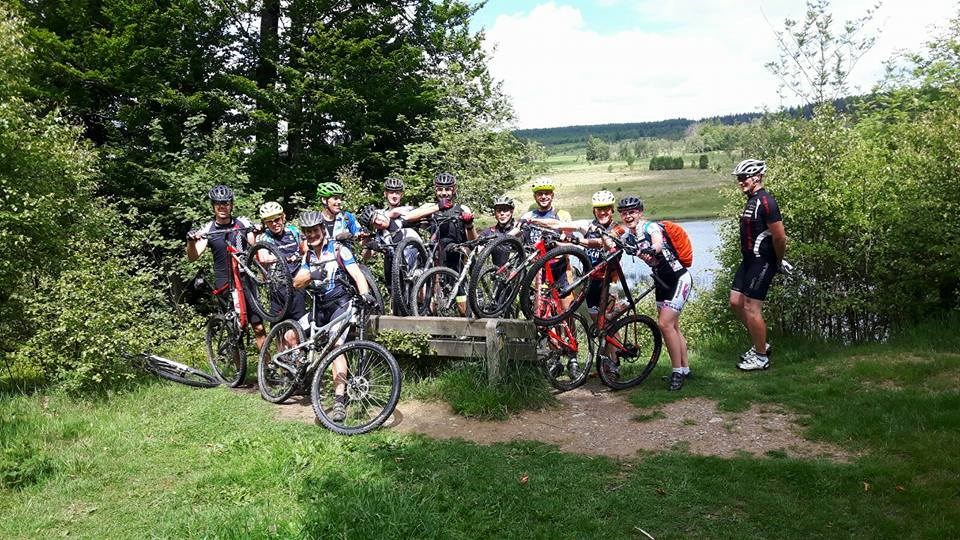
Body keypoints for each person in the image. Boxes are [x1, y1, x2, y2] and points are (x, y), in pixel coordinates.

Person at [293, 210, 376, 421]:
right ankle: (298, 369)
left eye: (315, 230)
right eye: (308, 232)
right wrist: (311, 274)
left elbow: (357, 274)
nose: (313, 235)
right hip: (318, 307)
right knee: (294, 337)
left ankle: (339, 402)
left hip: (340, 304)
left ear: (322, 229)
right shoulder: (309, 256)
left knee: (336, 347)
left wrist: (365, 295)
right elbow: (296, 282)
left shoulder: (339, 250)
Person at [618, 196, 692, 391]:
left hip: (678, 279)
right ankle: (685, 369)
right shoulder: (628, 235)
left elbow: (658, 241)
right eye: (624, 213)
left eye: (632, 212)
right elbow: (613, 242)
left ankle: (676, 372)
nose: (628, 216)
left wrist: (652, 248)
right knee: (673, 327)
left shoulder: (649, 227)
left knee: (664, 324)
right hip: (661, 281)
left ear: (640, 213)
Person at [186, 184, 266, 348]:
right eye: (218, 204)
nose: (222, 207)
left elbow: (255, 243)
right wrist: (190, 241)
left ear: (231, 205)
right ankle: (239, 371)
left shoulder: (241, 222)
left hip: (245, 278)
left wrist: (257, 232)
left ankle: (268, 369)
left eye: (226, 203)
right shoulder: (209, 228)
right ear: (213, 206)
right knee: (234, 330)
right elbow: (193, 257)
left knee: (258, 327)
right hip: (224, 281)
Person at [729, 159, 787, 371]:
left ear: (757, 177)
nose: (741, 182)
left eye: (744, 177)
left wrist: (778, 261)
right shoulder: (752, 199)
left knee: (751, 307)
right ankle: (761, 343)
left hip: (763, 261)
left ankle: (761, 357)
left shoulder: (767, 202)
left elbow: (780, 238)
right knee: (735, 302)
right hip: (748, 260)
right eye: (739, 178)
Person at [402, 172, 477, 313]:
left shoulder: (462, 208)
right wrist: (438, 207)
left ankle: (468, 328)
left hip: (457, 255)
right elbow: (408, 217)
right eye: (440, 189)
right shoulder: (430, 207)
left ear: (454, 190)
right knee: (433, 296)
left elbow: (473, 240)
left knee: (460, 296)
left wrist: (469, 225)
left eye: (448, 189)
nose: (444, 193)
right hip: (436, 255)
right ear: (435, 190)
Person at [255, 201, 308, 347]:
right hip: (278, 287)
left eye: (277, 219)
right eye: (269, 222)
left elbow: (305, 250)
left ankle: (298, 360)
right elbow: (263, 257)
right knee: (279, 327)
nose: (274, 224)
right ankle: (281, 364)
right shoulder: (263, 238)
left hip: (297, 284)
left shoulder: (293, 231)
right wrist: (285, 258)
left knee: (299, 325)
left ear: (283, 217)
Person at [519, 177, 571, 245]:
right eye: (540, 194)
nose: (543, 197)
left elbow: (569, 246)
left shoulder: (563, 215)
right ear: (535, 197)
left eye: (547, 193)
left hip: (556, 254)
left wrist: (554, 243)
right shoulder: (527, 216)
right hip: (533, 254)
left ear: (552, 196)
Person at [316, 182, 360, 250]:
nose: (339, 202)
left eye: (340, 198)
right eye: (335, 198)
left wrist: (354, 237)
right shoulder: (315, 220)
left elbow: (360, 237)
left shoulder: (347, 217)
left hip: (346, 259)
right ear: (324, 200)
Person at [479, 195, 519, 266]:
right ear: (495, 213)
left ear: (512, 211)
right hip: (497, 274)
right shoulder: (490, 231)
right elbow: (476, 245)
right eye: (498, 210)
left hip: (520, 275)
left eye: (505, 210)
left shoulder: (520, 229)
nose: (502, 213)